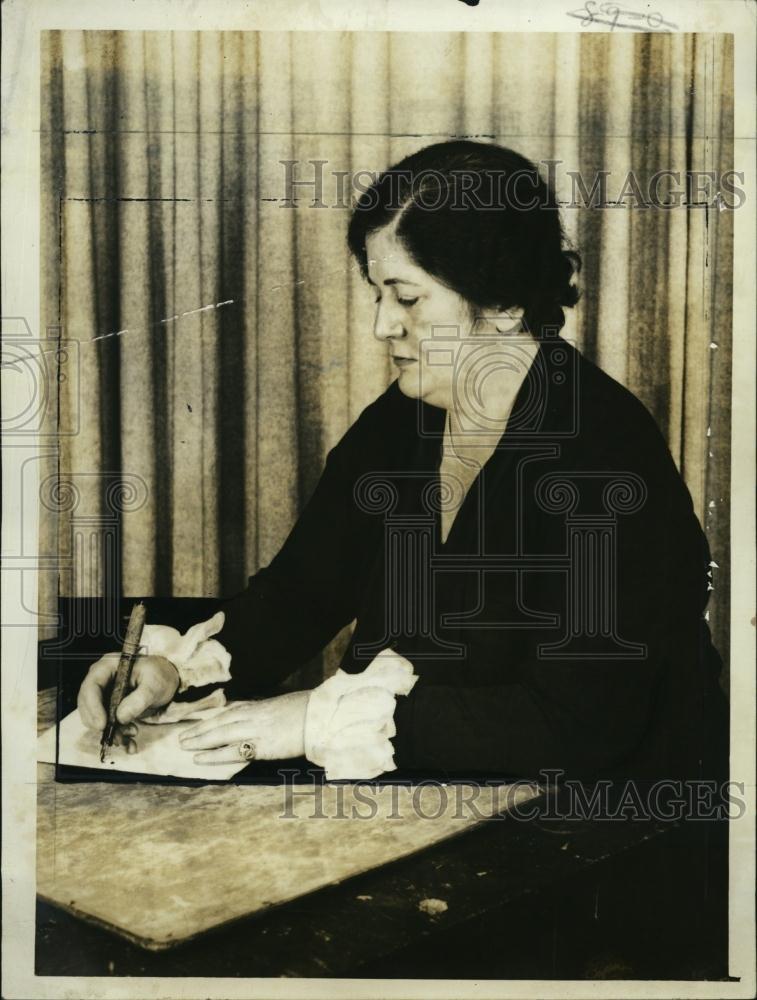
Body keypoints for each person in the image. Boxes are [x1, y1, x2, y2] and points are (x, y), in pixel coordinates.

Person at [77, 140, 728, 785]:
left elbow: (580, 725)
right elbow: (302, 594)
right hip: (450, 797)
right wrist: (171, 670)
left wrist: (310, 721)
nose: (382, 326)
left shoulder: (605, 456)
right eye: (376, 293)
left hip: (611, 828)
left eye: (407, 299)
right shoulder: (404, 417)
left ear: (503, 303)